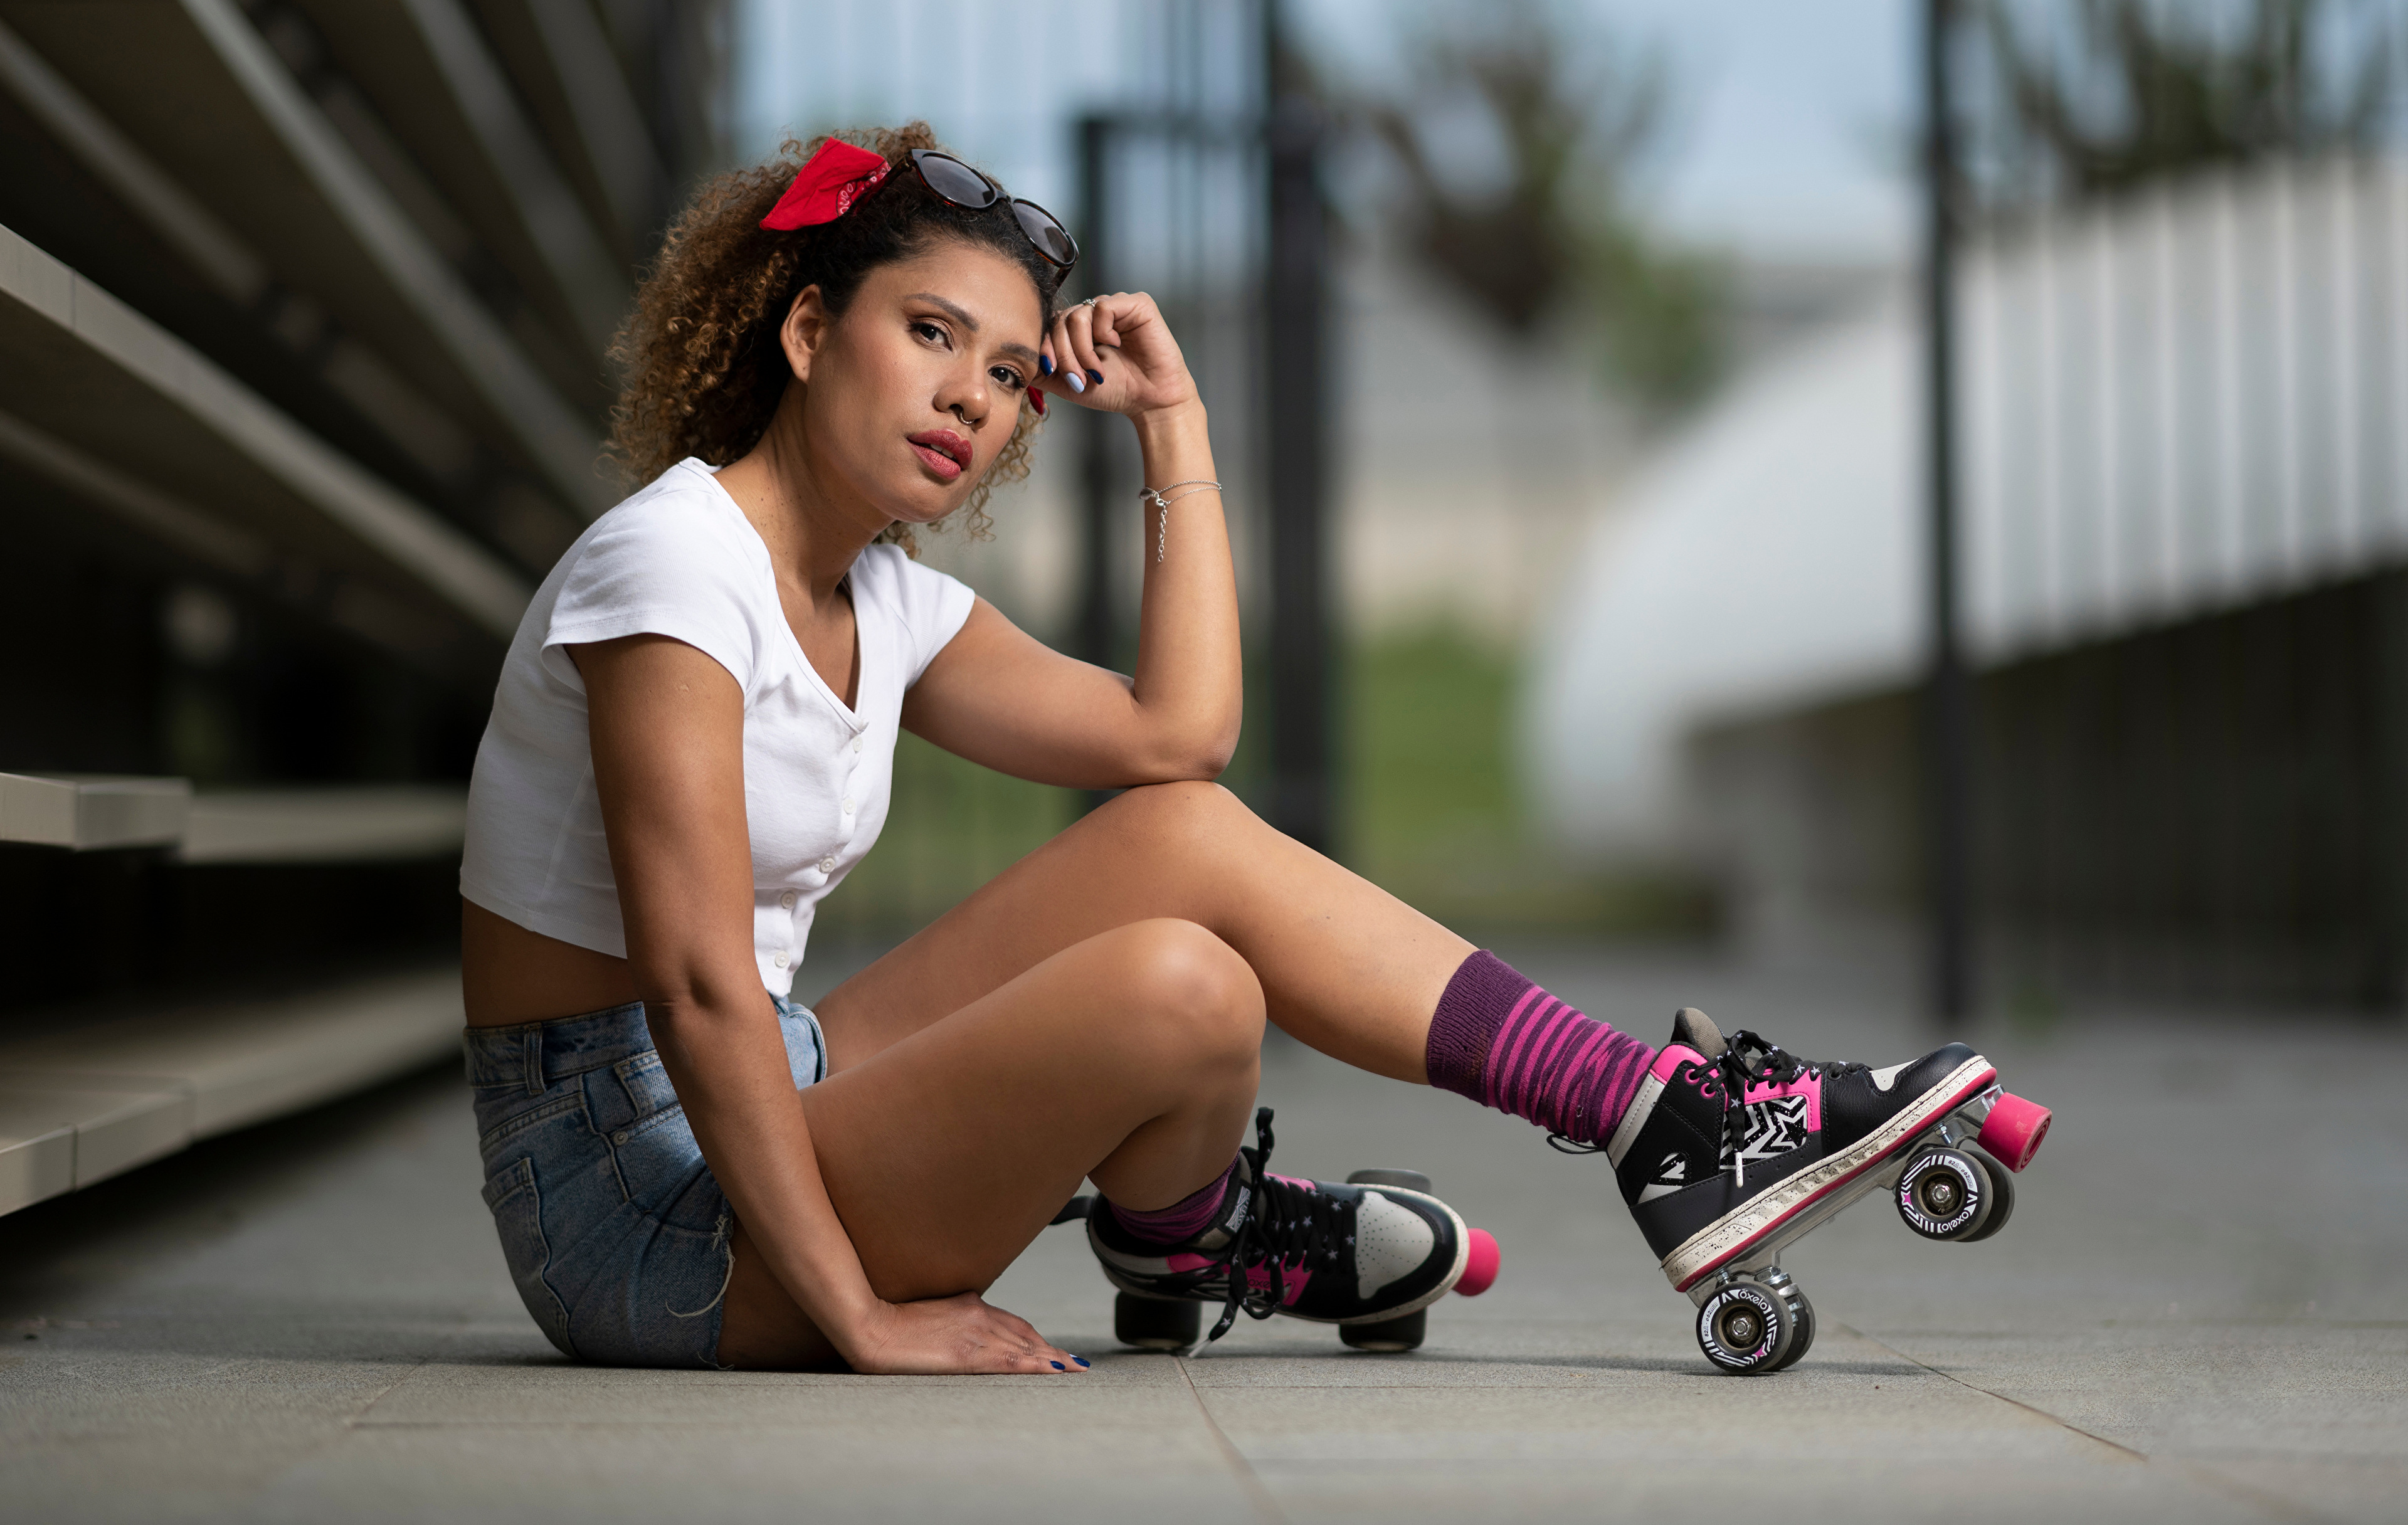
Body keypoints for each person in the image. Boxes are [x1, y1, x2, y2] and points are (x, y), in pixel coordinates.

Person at [457, 125, 2007, 1376]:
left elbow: (1175, 736)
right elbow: (699, 983)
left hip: (764, 1085)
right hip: (631, 1210)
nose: (969, 398)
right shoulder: (670, 569)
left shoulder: (885, 596)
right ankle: (1193, 1228)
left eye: (1006, 372)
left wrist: (1174, 420)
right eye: (928, 334)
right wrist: (861, 1322)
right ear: (808, 329)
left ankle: (1654, 1118)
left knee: (1183, 839)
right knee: (1185, 987)